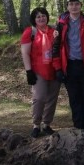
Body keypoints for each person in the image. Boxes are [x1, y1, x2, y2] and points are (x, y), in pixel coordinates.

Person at [52, 0, 84, 133]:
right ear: (67, 6)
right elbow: (56, 46)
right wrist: (58, 68)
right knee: (75, 98)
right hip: (69, 66)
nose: (74, 7)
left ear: (81, 6)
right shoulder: (61, 23)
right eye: (71, 4)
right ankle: (78, 128)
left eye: (77, 4)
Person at [21, 7, 61, 138]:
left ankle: (46, 124)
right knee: (39, 98)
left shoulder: (54, 31)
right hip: (38, 70)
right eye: (38, 17)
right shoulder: (30, 32)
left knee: (52, 99)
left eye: (43, 16)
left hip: (54, 69)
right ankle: (36, 125)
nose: (41, 18)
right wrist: (28, 71)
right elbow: (25, 53)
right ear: (34, 20)